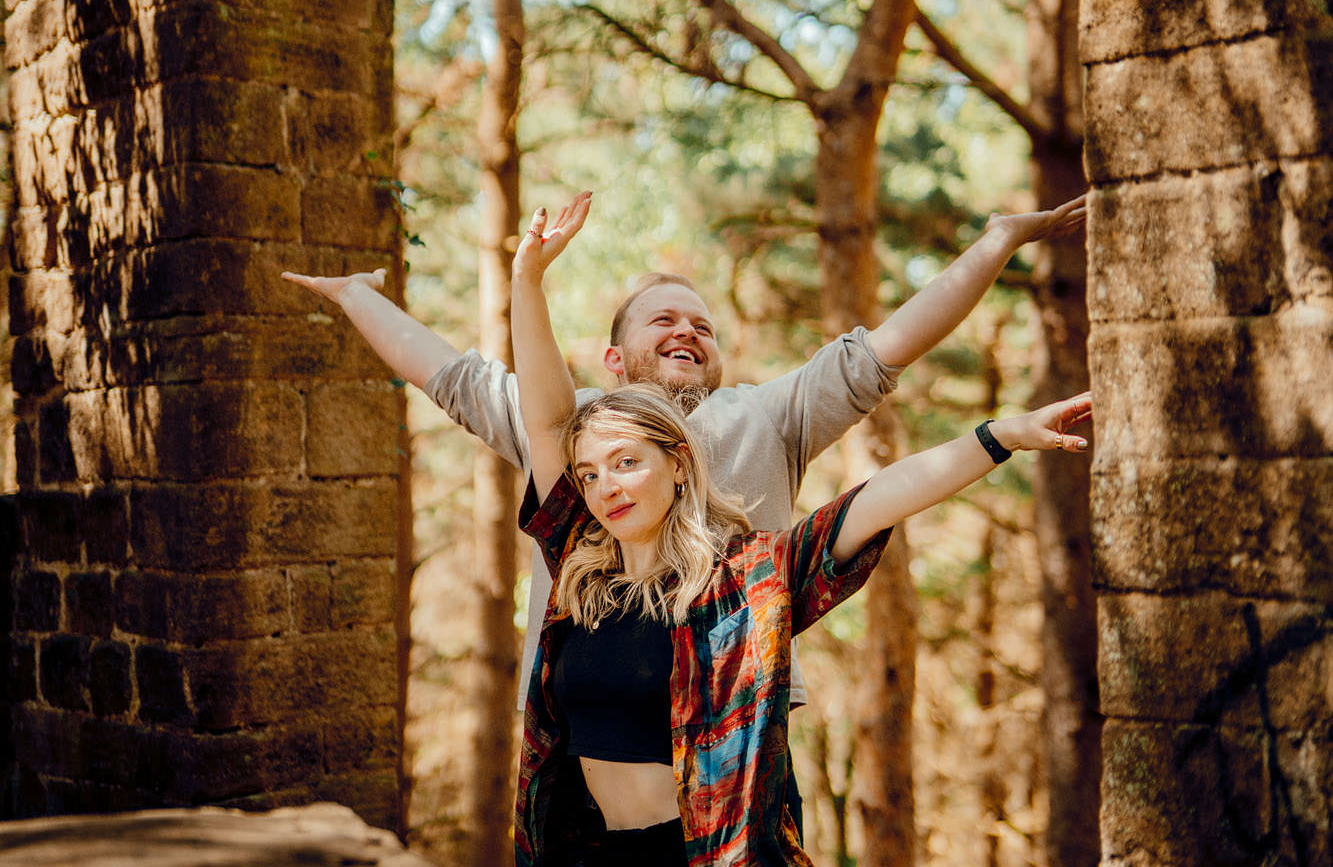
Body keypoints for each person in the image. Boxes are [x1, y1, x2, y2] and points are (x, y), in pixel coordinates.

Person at [508, 193, 1092, 867]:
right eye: (590, 473)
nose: (604, 486)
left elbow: (881, 496)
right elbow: (548, 418)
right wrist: (527, 277)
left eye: (627, 463)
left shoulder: (747, 583)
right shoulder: (575, 567)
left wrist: (997, 436)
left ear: (679, 464)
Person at [282, 190, 1087, 717]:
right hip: (592, 702)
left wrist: (996, 243)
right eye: (661, 321)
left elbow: (895, 344)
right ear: (615, 359)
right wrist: (357, 294)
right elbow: (448, 374)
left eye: (701, 324)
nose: (686, 332)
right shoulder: (570, 427)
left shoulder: (768, 416)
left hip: (728, 714)